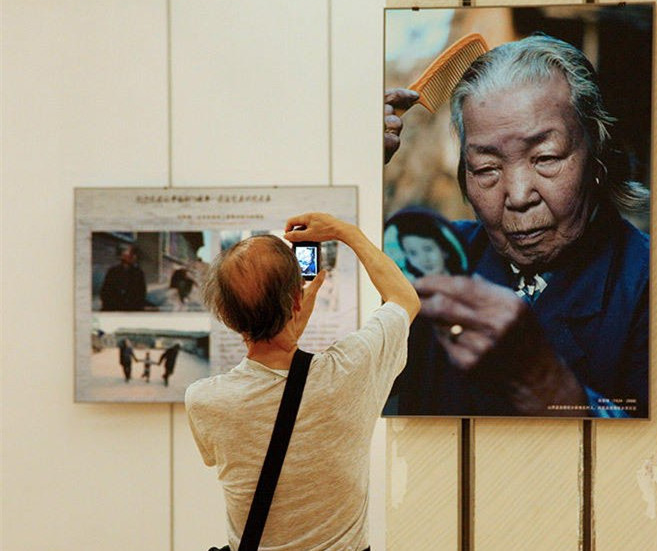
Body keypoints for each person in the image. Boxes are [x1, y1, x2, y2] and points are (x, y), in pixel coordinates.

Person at [383, 34, 650, 418]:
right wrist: (355, 166)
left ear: (597, 155)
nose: (519, 195)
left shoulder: (655, 285)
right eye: (486, 168)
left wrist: (545, 382)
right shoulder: (429, 258)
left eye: (546, 157)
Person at [184, 213, 419, 551]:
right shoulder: (349, 371)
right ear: (296, 300)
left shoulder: (205, 401)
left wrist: (286, 327)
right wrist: (346, 232)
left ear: (226, 315)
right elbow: (403, 299)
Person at [386, 209, 467, 279]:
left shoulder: (466, 284)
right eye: (413, 253)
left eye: (428, 249)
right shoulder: (411, 289)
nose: (424, 259)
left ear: (444, 250)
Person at [100, 245, 147, 311]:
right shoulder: (113, 272)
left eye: (134, 255)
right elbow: (105, 292)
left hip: (131, 309)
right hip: (114, 308)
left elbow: (141, 294)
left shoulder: (138, 273)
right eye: (130, 254)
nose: (134, 257)